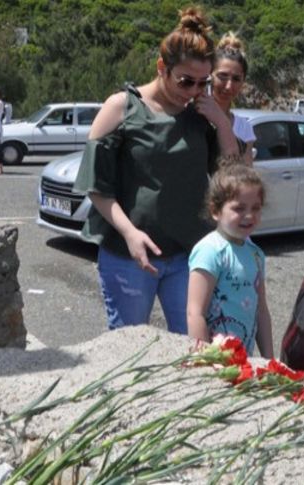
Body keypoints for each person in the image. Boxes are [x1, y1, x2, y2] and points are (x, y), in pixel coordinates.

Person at [73, 6, 241, 334]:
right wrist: (129, 233)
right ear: (162, 68)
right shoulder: (121, 107)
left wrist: (220, 121)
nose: (193, 91)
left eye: (202, 83)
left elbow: (231, 176)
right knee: (129, 349)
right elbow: (96, 186)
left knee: (193, 347)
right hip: (130, 256)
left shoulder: (199, 117)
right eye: (186, 81)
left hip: (189, 255)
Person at [187, 163, 273, 357]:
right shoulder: (210, 251)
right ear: (215, 211)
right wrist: (206, 363)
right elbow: (195, 312)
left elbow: (261, 311)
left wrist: (269, 360)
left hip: (243, 360)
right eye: (239, 208)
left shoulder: (256, 254)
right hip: (215, 361)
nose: (249, 215)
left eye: (256, 208)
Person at [212, 32, 255, 164]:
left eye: (236, 79)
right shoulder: (192, 118)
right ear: (209, 75)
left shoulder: (244, 128)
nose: (229, 86)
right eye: (222, 76)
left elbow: (245, 173)